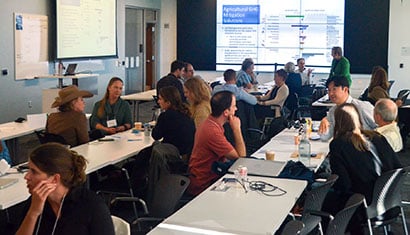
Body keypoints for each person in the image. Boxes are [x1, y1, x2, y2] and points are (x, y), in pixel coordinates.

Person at [323, 103, 401, 234]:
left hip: (363, 207)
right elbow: (398, 168)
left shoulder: (338, 144)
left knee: (322, 199)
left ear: (338, 122)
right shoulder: (378, 137)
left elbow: (343, 185)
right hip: (391, 202)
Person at [16, 143, 114, 235]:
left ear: (55, 179)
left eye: (34, 172)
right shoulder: (35, 202)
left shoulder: (92, 206)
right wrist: (33, 213)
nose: (27, 177)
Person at [188, 91, 246, 196]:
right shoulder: (212, 131)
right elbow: (241, 157)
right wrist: (237, 129)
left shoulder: (211, 123)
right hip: (206, 183)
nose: (236, 109)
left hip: (213, 174)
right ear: (226, 112)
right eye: (234, 106)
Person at [318, 76, 376, 141]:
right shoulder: (333, 111)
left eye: (334, 89)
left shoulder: (362, 106)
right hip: (343, 147)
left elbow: (380, 128)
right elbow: (324, 137)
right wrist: (324, 124)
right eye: (329, 90)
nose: (331, 93)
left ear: (345, 89)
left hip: (364, 147)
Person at [153, 86, 195, 157]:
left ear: (168, 102)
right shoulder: (186, 112)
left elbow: (156, 136)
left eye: (160, 99)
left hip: (171, 155)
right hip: (187, 152)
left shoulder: (166, 116)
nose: (158, 102)